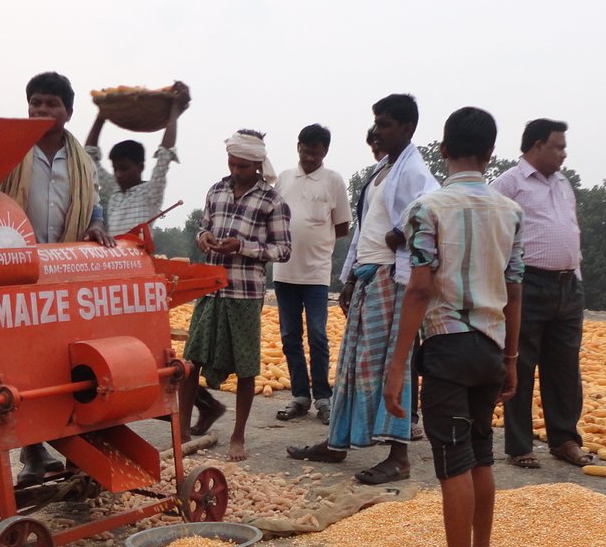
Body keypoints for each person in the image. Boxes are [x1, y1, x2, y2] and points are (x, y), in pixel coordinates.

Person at [383, 106, 523, 547]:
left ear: (443, 149)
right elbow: (515, 288)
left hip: (448, 344)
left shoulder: (427, 209)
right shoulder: (510, 212)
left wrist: (397, 364)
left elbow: (420, 289)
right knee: (481, 453)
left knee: (454, 461)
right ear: (490, 153)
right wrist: (511, 358)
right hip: (490, 345)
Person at [288, 94, 438, 484]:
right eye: (376, 122)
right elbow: (365, 225)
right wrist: (351, 277)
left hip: (392, 277)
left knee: (390, 363)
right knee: (354, 363)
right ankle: (337, 442)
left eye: (385, 123)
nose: (377, 131)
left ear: (407, 128)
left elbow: (432, 209)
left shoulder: (413, 170)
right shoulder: (383, 170)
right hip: (369, 274)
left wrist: (401, 233)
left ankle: (399, 456)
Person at [0, 71, 115, 488]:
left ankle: (75, 447)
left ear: (68, 111)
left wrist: (97, 225)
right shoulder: (9, 150)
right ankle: (33, 453)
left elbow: (93, 203)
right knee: (21, 369)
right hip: (17, 269)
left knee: (66, 362)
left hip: (65, 271)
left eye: (51, 104)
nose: (42, 110)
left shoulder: (82, 160)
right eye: (36, 102)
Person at [179, 130, 292, 461]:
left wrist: (242, 247)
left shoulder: (272, 201)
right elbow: (203, 226)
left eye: (243, 166)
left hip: (244, 292)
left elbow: (283, 250)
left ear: (258, 164)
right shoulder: (216, 190)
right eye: (232, 163)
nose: (236, 170)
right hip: (211, 288)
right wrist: (203, 238)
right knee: (192, 359)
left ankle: (238, 436)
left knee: (245, 365)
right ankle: (182, 431)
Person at [491, 118, 592, 469]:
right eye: (558, 146)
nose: (564, 153)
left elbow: (570, 229)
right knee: (520, 361)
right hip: (528, 283)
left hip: (568, 285)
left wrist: (575, 277)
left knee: (565, 367)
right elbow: (492, 233)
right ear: (537, 146)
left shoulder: (563, 183)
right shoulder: (508, 184)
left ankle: (564, 438)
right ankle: (520, 445)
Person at [272, 124, 352, 424]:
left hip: (317, 273)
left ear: (325, 152)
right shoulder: (283, 179)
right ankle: (300, 396)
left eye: (315, 154)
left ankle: (323, 397)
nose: (308, 158)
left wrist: (317, 239)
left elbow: (342, 226)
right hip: (284, 271)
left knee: (318, 335)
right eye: (305, 152)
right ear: (298, 147)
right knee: (289, 336)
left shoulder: (333, 181)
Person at [85, 82, 189, 235]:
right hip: (114, 251)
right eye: (115, 169)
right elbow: (89, 158)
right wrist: (101, 115)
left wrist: (174, 108)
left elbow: (165, 154)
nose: (119, 174)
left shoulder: (151, 192)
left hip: (139, 251)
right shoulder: (114, 190)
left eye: (124, 168)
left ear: (140, 167)